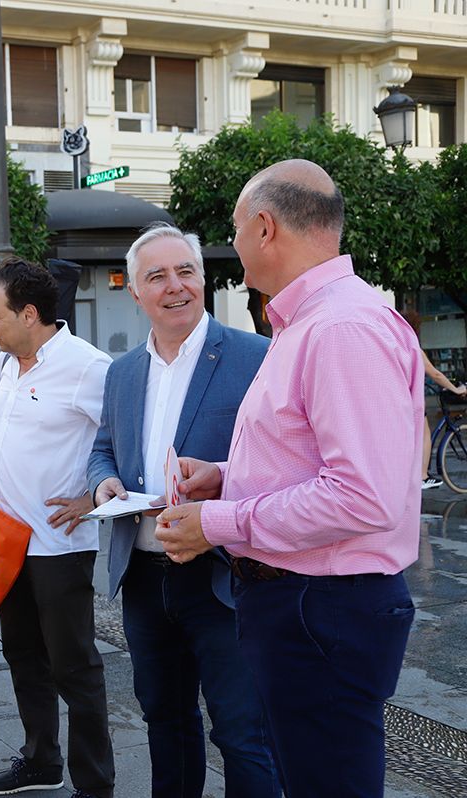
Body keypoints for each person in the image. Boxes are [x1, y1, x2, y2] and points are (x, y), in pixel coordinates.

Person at [157, 160, 424, 798]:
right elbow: (307, 455)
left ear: (266, 227)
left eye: (236, 228)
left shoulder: (339, 328)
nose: (235, 244)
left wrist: (217, 522)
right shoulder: (311, 322)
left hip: (321, 604)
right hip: (304, 601)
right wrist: (225, 477)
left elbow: (365, 496)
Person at [87, 224, 277, 798]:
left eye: (185, 271)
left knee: (243, 733)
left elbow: (281, 462)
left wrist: (219, 482)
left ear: (203, 278)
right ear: (135, 293)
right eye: (157, 276)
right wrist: (105, 486)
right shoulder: (121, 373)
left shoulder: (256, 356)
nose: (176, 287)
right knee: (164, 721)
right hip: (145, 578)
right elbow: (101, 449)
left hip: (225, 575)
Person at [0, 258, 115, 798]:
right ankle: (40, 761)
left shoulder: (89, 366)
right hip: (5, 543)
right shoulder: (8, 363)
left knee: (74, 668)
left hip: (59, 545)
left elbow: (123, 439)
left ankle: (95, 785)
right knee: (23, 656)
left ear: (29, 315)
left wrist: (90, 497)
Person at [400, 310, 466, 489]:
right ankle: (422, 477)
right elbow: (435, 374)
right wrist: (455, 388)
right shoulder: (411, 346)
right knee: (425, 432)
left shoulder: (392, 343)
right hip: (409, 399)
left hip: (394, 400)